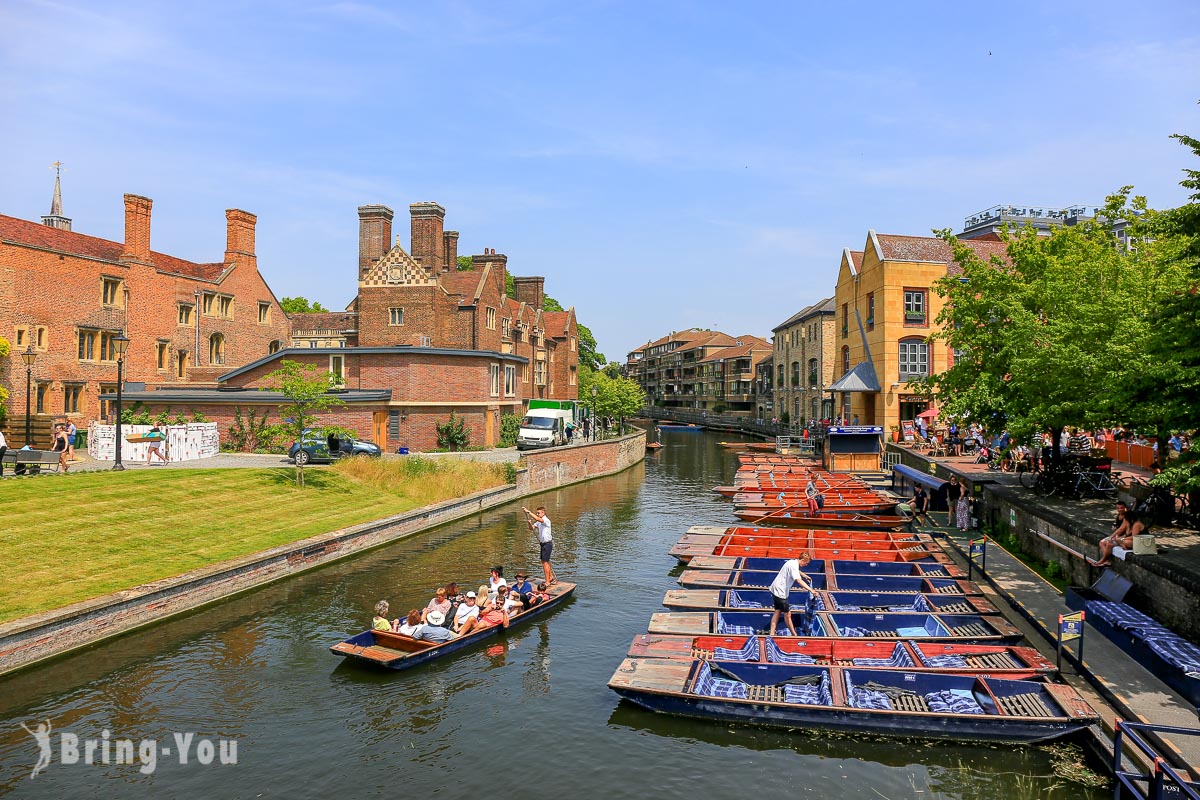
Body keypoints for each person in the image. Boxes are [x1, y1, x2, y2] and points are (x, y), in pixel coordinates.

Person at [768, 552, 814, 636]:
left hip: (775, 589)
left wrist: (804, 575)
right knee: (788, 614)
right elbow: (799, 581)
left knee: (777, 611)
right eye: (806, 563)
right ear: (803, 560)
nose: (806, 565)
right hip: (780, 592)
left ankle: (772, 633)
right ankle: (794, 635)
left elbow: (796, 570)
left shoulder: (792, 562)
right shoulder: (793, 566)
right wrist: (811, 590)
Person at [1096, 501, 1148, 566]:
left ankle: (1104, 560)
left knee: (1120, 542)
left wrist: (1121, 538)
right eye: (1118, 508)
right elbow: (1125, 532)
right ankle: (1106, 559)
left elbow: (1134, 536)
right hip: (1129, 538)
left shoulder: (1136, 524)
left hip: (1141, 542)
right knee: (1109, 541)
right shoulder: (1127, 522)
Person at [522, 506, 558, 586]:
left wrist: (528, 512)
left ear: (543, 513)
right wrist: (529, 523)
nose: (537, 514)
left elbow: (538, 519)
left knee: (545, 562)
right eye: (537, 513)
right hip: (543, 544)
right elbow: (531, 529)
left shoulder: (546, 520)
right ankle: (550, 577)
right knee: (544, 562)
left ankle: (548, 581)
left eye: (538, 513)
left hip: (547, 544)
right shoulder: (539, 522)